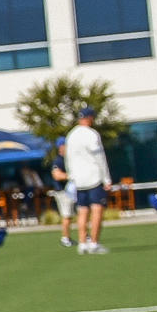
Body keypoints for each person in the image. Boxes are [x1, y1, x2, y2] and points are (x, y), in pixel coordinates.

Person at [65, 107, 112, 255]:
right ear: (90, 118)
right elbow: (99, 157)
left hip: (79, 180)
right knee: (97, 209)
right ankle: (94, 243)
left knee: (82, 211)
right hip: (93, 177)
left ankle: (82, 243)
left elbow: (68, 158)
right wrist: (106, 178)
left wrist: (72, 176)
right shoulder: (92, 135)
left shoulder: (71, 135)